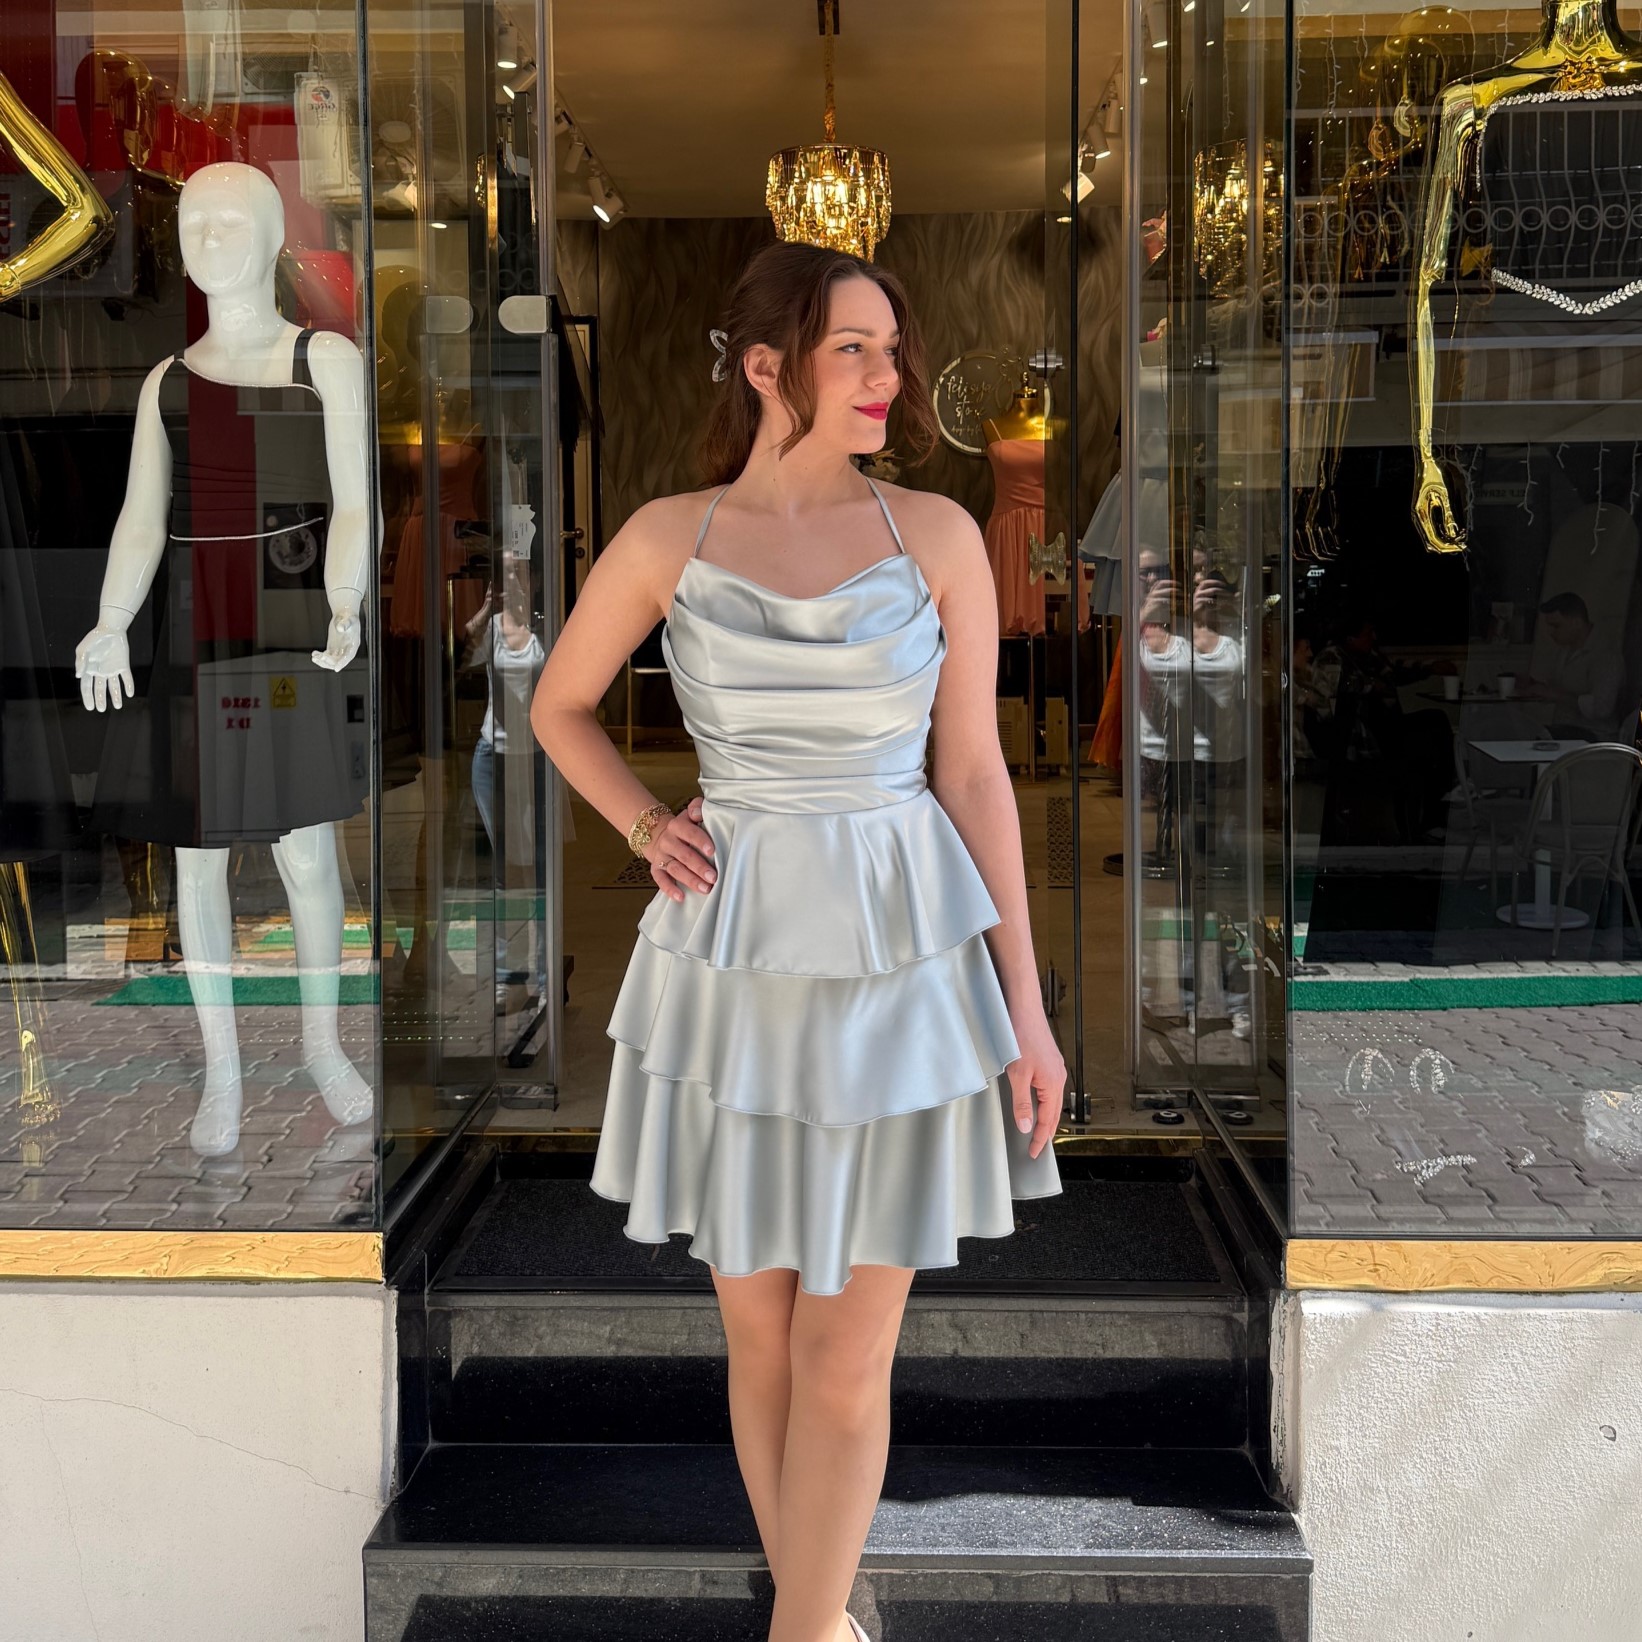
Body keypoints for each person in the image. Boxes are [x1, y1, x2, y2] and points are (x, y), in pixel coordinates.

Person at [530, 241, 1065, 1642]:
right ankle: (820, 1623)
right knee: (760, 1338)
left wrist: (1027, 1005)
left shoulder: (937, 534)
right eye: (855, 350)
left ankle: (801, 1629)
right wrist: (647, 825)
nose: (890, 376)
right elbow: (558, 706)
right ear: (768, 366)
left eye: (891, 348)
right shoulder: (669, 534)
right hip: (734, 965)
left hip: (901, 963)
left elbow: (972, 774)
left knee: (841, 1352)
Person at [1523, 590, 1630, 742]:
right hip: (1564, 731)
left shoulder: (1605, 655)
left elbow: (1601, 708)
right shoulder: (1565, 650)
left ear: (1577, 623)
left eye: (1556, 626)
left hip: (1594, 738)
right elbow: (1557, 689)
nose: (1551, 632)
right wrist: (1534, 686)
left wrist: (1554, 695)